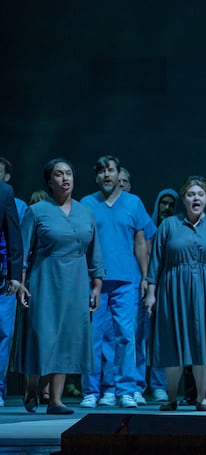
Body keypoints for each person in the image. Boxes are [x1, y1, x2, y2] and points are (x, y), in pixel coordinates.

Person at [16, 159, 104, 414]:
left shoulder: (86, 212)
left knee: (67, 337)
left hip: (76, 280)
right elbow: (22, 251)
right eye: (59, 174)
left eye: (69, 173)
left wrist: (97, 285)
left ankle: (55, 400)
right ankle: (33, 385)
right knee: (42, 334)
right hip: (45, 278)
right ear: (49, 181)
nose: (65, 178)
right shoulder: (37, 211)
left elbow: (94, 252)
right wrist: (21, 284)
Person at [144, 176, 206, 412]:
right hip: (174, 290)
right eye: (191, 194)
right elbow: (156, 261)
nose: (196, 198)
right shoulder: (168, 226)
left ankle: (202, 397)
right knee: (173, 341)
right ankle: (172, 396)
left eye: (200, 194)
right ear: (184, 199)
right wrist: (151, 293)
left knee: (203, 343)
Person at [80, 156, 154, 409]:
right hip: (95, 280)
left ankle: (125, 389)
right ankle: (93, 389)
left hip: (126, 280)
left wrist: (145, 277)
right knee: (93, 337)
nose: (106, 175)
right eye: (101, 171)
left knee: (126, 335)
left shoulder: (133, 203)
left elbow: (141, 242)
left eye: (110, 170)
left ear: (117, 173)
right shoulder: (87, 204)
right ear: (96, 176)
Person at [139, 188, 179, 402]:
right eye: (163, 203)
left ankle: (159, 383)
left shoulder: (177, 229)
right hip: (148, 286)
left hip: (169, 287)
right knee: (142, 336)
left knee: (163, 338)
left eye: (171, 204)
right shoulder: (148, 227)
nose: (167, 208)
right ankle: (138, 383)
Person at [0, 158, 26, 408]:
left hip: (2, 273)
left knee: (3, 332)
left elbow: (13, 234)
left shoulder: (5, 192)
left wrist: (15, 275)